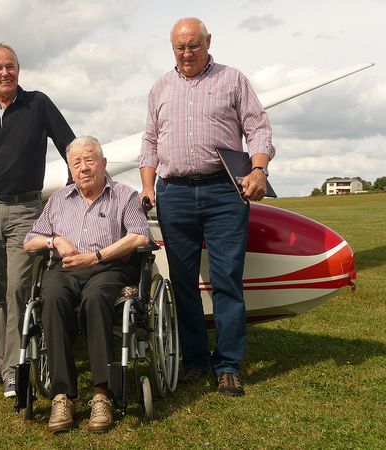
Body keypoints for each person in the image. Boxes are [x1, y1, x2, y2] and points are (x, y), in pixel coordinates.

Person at [139, 17, 276, 397]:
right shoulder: (160, 88)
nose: (186, 54)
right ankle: (196, 361)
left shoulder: (232, 80)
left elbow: (258, 128)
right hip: (174, 194)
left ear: (208, 42)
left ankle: (228, 364)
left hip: (223, 191)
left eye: (193, 46)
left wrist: (259, 169)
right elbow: (149, 142)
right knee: (182, 283)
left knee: (226, 280)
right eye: (179, 48)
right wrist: (149, 186)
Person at [0, 43, 75, 398]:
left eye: (10, 66)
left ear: (19, 69)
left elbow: (69, 145)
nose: (4, 73)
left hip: (26, 210)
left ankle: (13, 369)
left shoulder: (38, 103)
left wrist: (72, 194)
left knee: (17, 289)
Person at [23, 136, 152, 433]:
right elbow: (30, 242)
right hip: (65, 270)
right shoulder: (59, 199)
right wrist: (55, 240)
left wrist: (95, 257)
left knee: (96, 299)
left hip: (107, 268)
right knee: (52, 297)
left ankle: (102, 393)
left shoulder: (124, 195)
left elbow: (140, 236)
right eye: (76, 162)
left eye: (90, 159)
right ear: (70, 169)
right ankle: (62, 395)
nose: (83, 168)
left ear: (104, 164)